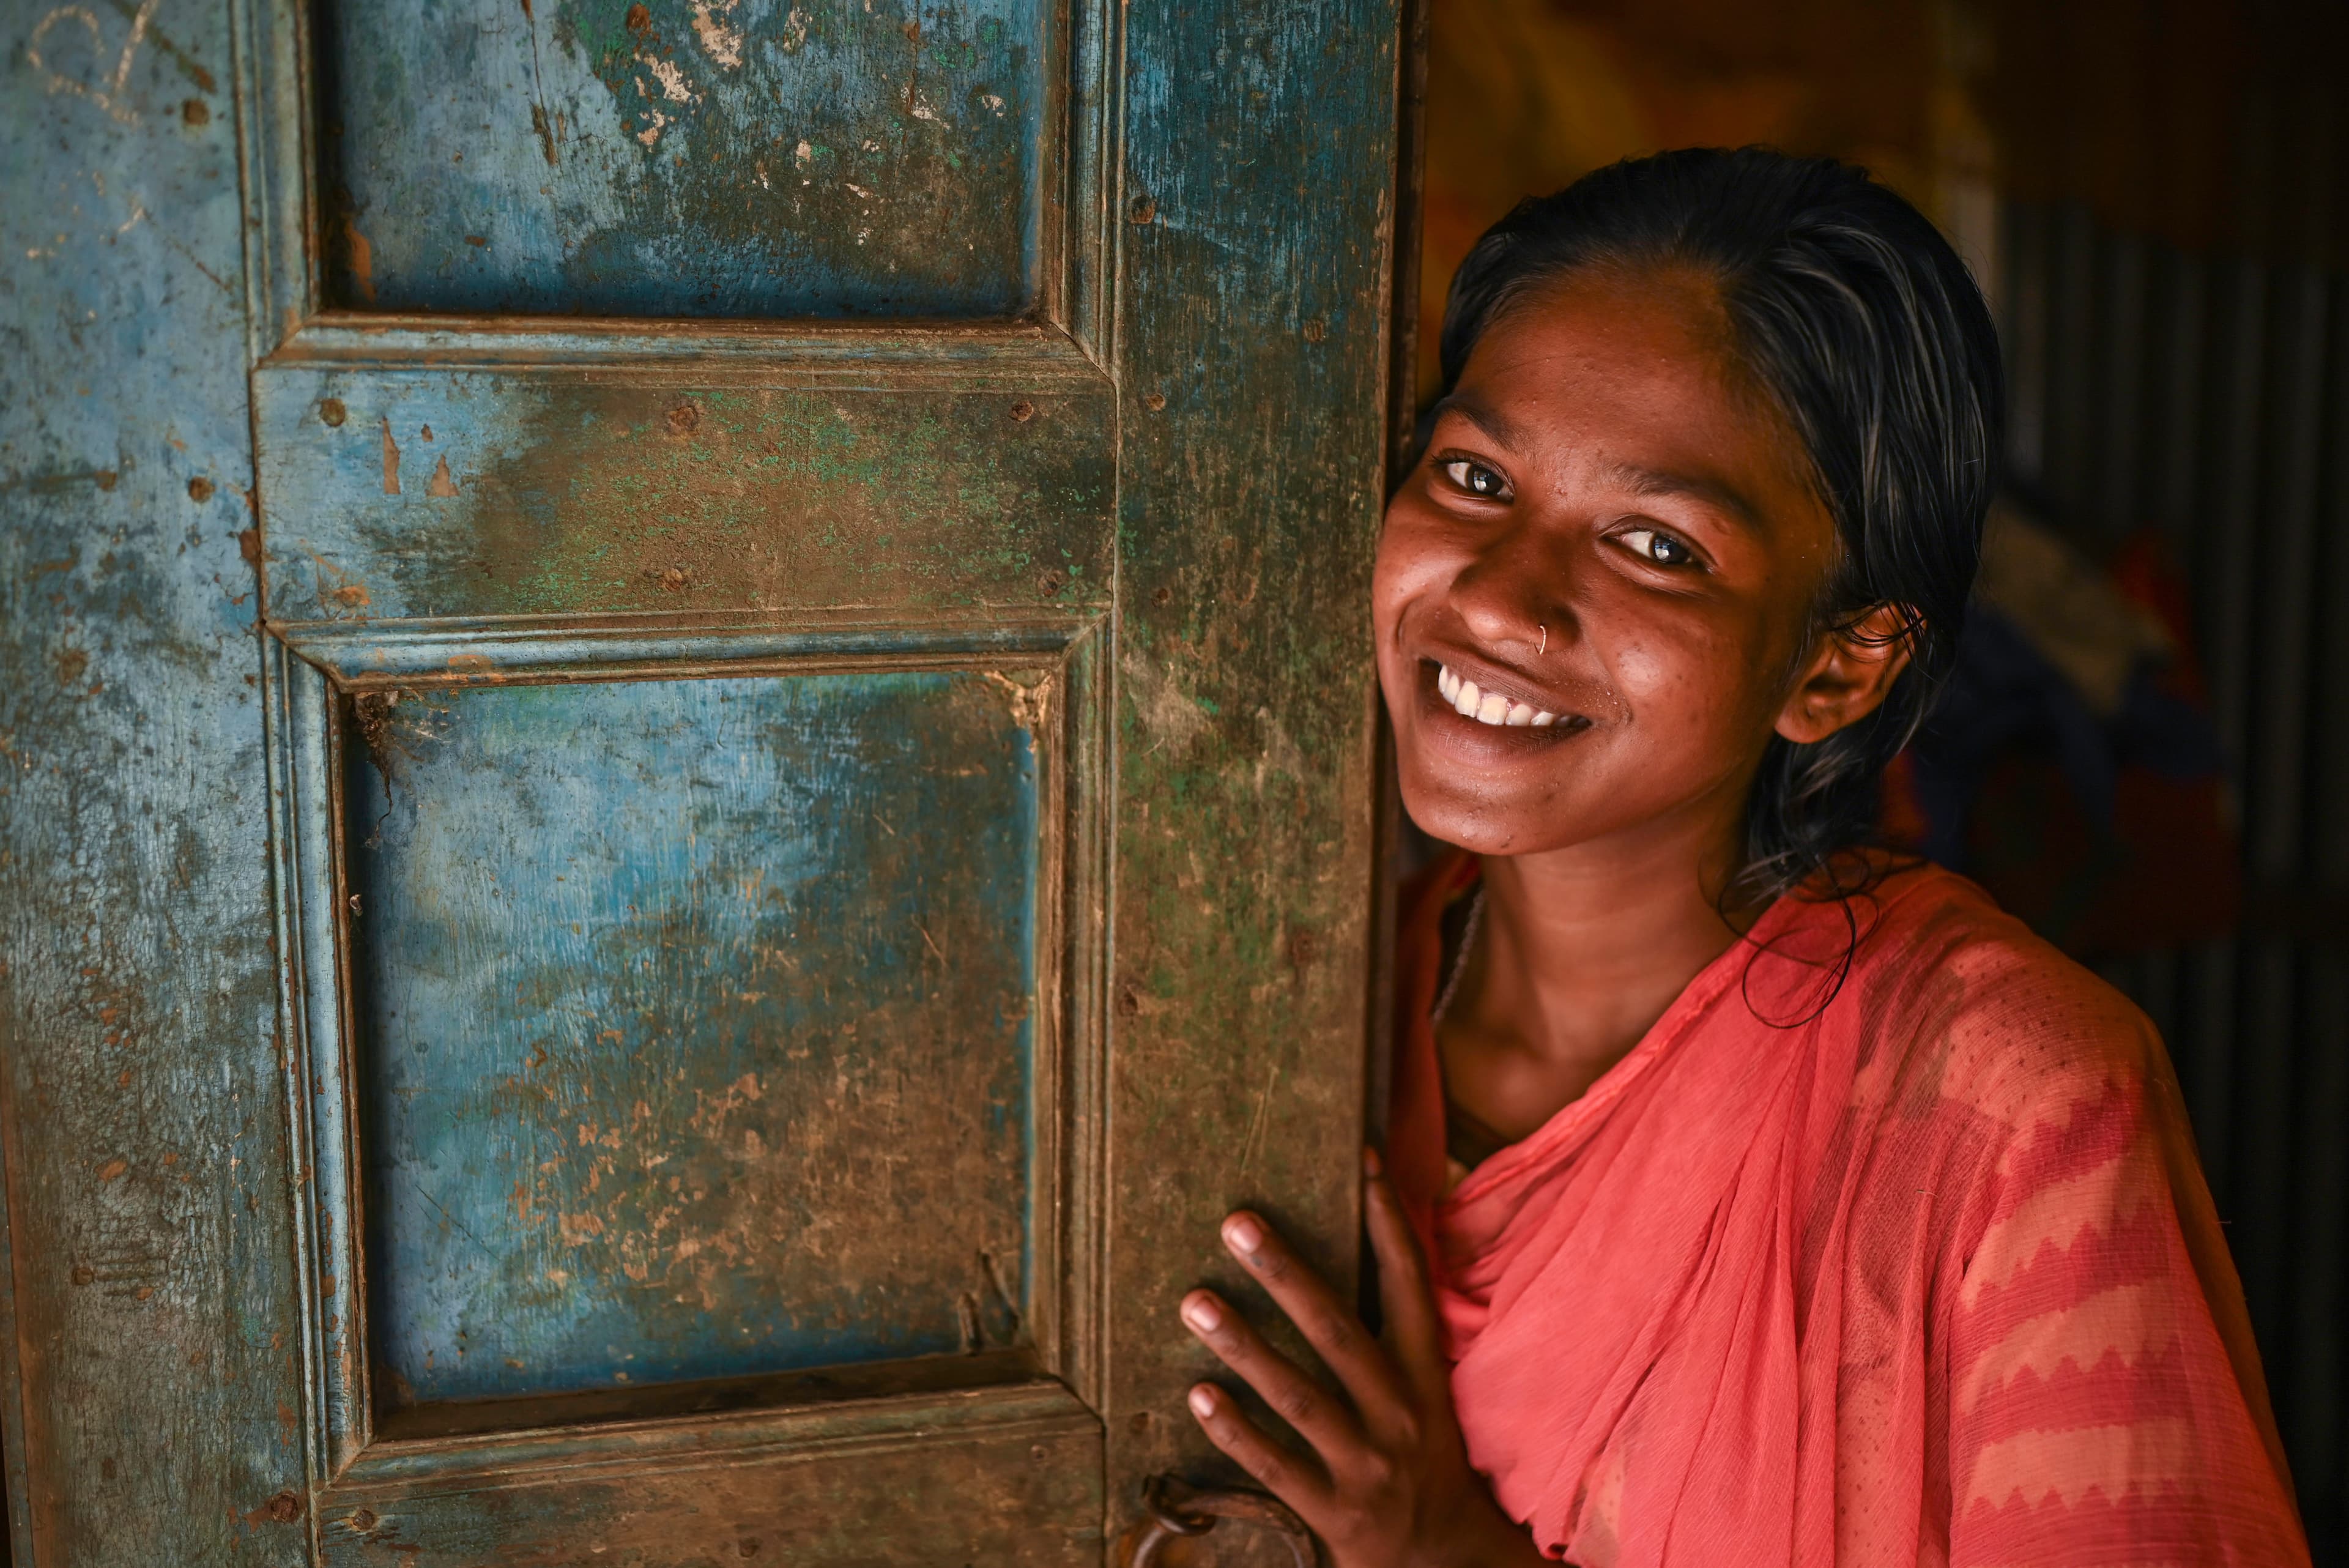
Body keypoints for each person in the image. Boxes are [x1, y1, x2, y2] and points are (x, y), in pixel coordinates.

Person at [1168, 149, 2310, 1567]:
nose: (1503, 598)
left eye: (1656, 544)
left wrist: (1448, 1551)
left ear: (1838, 664)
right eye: (1473, 474)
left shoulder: (2011, 1109)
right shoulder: (1280, 1013)